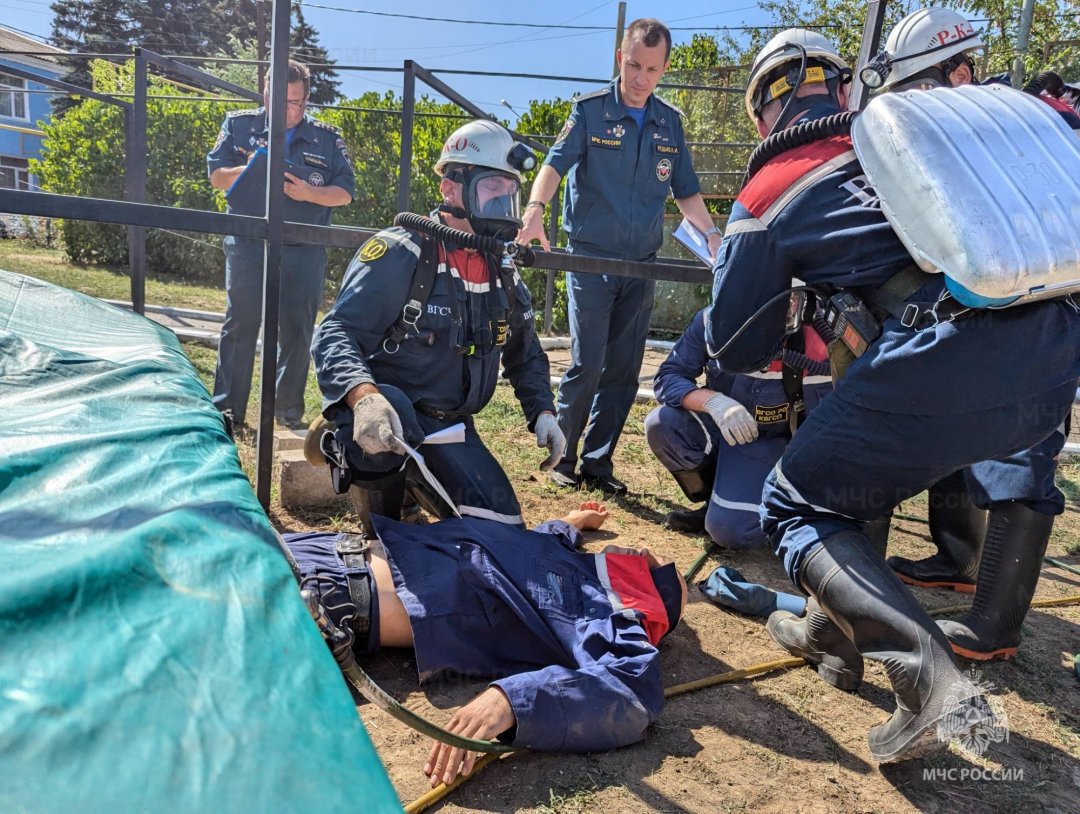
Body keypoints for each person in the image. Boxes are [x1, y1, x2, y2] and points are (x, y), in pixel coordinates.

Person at [707, 28, 1080, 762]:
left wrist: (800, 299)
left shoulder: (770, 187)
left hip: (948, 352)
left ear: (760, 115)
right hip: (1054, 350)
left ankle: (929, 688)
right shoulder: (921, 133)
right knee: (857, 452)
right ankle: (833, 635)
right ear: (845, 92)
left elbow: (731, 344)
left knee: (798, 499)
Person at [868, 7, 1071, 661]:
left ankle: (995, 625)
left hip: (1052, 300)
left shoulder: (1020, 122)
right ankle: (956, 555)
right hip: (1003, 298)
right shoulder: (968, 129)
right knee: (955, 412)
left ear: (957, 70)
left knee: (1025, 446)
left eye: (920, 90)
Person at [282, 501, 687, 787]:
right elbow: (542, 541)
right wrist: (572, 523)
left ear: (648, 591)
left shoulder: (606, 615)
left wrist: (512, 701)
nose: (645, 551)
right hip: (313, 548)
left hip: (323, 597)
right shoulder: (570, 560)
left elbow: (631, 689)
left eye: (655, 566)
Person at [310, 119, 563, 533]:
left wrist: (543, 412)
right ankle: (383, 514)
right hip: (393, 414)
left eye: (508, 191)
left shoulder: (503, 270)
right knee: (386, 446)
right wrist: (364, 398)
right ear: (450, 188)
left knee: (503, 531)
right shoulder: (402, 251)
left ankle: (411, 478)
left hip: (452, 426)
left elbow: (526, 353)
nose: (501, 202)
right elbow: (336, 333)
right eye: (490, 187)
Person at [516, 18, 718, 495]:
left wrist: (712, 235)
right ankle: (562, 457)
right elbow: (553, 166)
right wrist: (534, 211)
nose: (639, 78)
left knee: (626, 370)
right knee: (587, 362)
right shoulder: (588, 112)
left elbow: (686, 192)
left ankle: (598, 464)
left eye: (651, 68)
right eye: (632, 65)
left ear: (664, 68)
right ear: (619, 59)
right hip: (591, 261)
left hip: (641, 264)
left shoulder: (670, 123)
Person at [208, 60, 355, 430]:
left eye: (300, 102)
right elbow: (216, 176)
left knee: (296, 329)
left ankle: (286, 411)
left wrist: (310, 192)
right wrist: (255, 169)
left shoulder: (327, 137)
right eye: (286, 101)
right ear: (266, 91)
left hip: (304, 248)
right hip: (248, 242)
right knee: (240, 323)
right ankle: (228, 410)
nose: (294, 111)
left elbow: (345, 194)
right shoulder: (239, 125)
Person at [645, 308, 831, 543]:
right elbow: (669, 376)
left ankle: (781, 517)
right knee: (662, 424)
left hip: (780, 447)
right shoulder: (714, 320)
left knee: (728, 530)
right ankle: (714, 501)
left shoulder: (824, 333)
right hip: (728, 432)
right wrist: (714, 402)